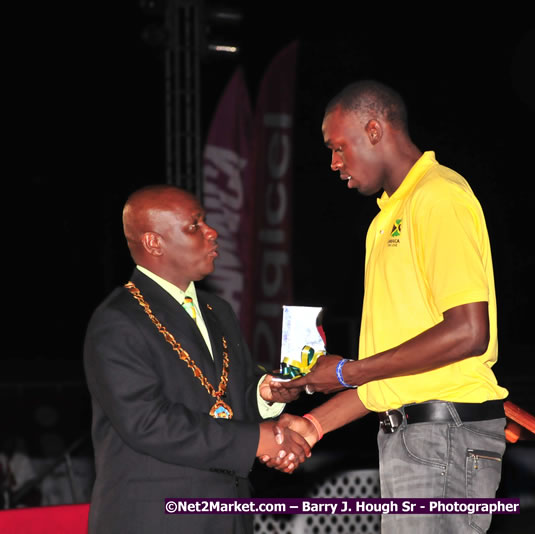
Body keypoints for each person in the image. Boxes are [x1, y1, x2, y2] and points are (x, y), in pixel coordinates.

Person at [273, 80, 509, 533]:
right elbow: (392, 374)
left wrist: (346, 372)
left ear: (375, 129)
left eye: (338, 147)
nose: (334, 163)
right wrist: (314, 424)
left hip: (443, 433)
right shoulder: (385, 219)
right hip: (418, 436)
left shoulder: (437, 196)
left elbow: (468, 332)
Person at [84, 185, 310, 534]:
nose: (212, 232)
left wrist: (264, 393)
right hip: (155, 519)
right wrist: (255, 441)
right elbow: (147, 421)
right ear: (153, 243)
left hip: (228, 514)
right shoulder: (117, 320)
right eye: (195, 225)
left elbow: (225, 398)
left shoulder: (216, 309)